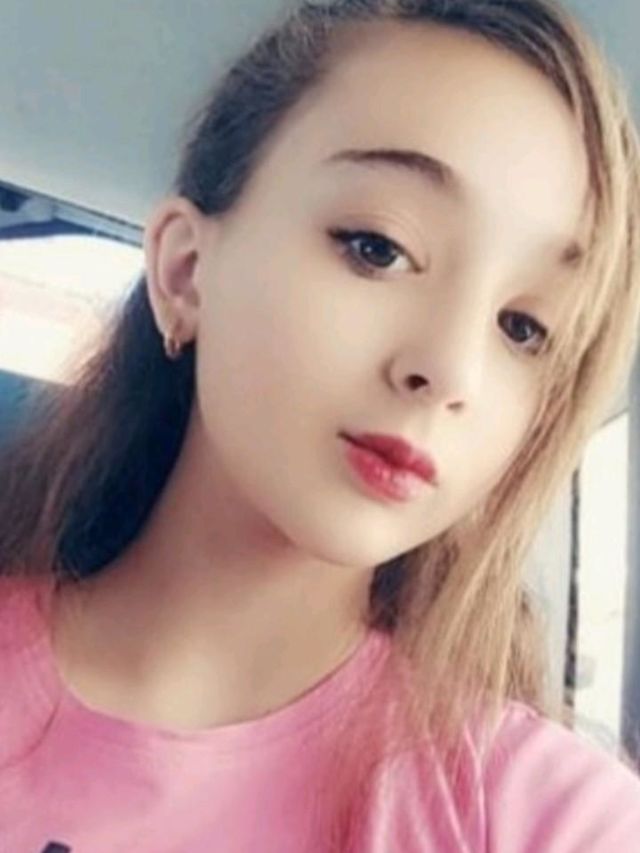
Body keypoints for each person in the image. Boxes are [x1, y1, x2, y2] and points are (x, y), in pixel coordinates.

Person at [1, 0, 640, 849]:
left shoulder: (553, 819)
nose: (451, 371)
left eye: (523, 327)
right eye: (378, 248)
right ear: (186, 271)